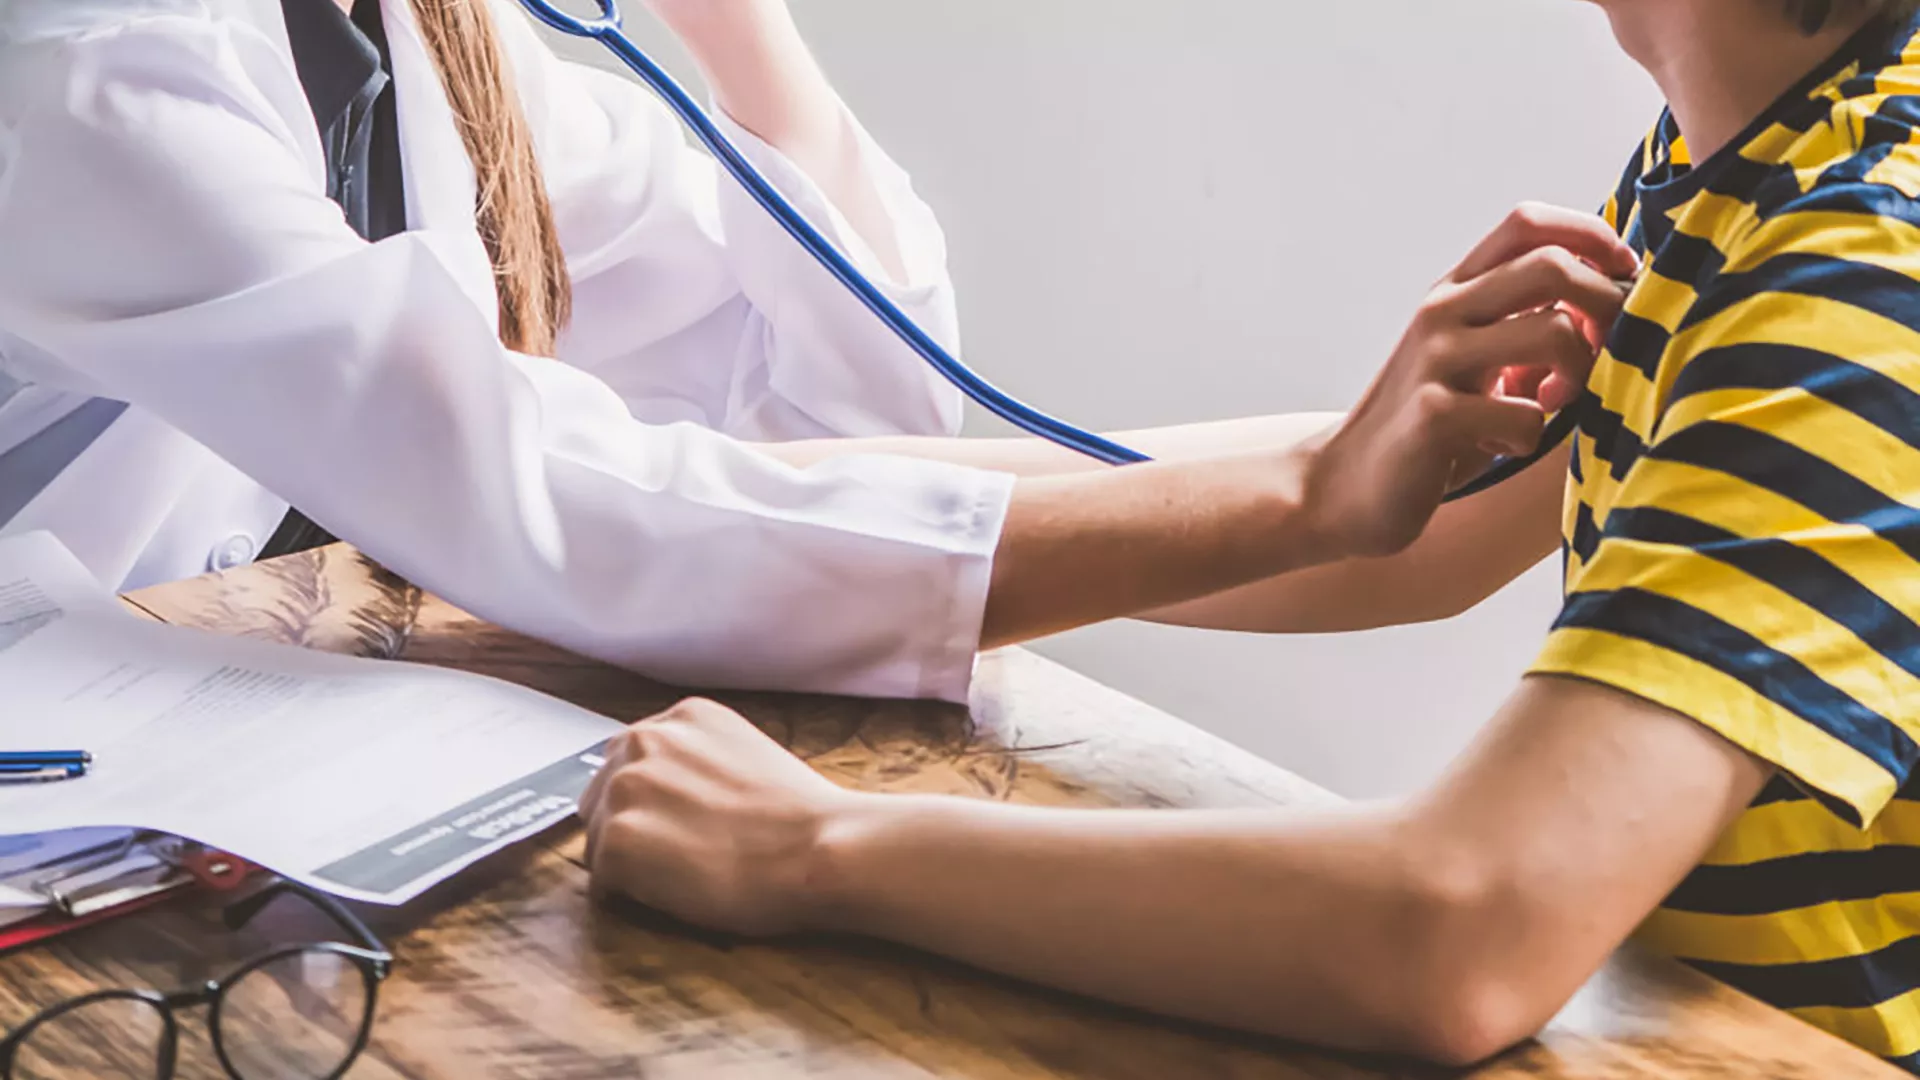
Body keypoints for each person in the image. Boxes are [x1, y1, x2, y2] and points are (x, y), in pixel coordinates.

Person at [575, 0, 1920, 1070]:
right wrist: (737, 493)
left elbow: (1462, 927)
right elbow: (1418, 524)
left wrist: (812, 850)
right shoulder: (1746, 149)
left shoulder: (1862, 278)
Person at [0, 0, 1601, 700]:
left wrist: (739, 25)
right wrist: (1314, 494)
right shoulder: (91, 72)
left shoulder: (424, 36)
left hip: (220, 702)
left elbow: (859, 399)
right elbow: (566, 519)